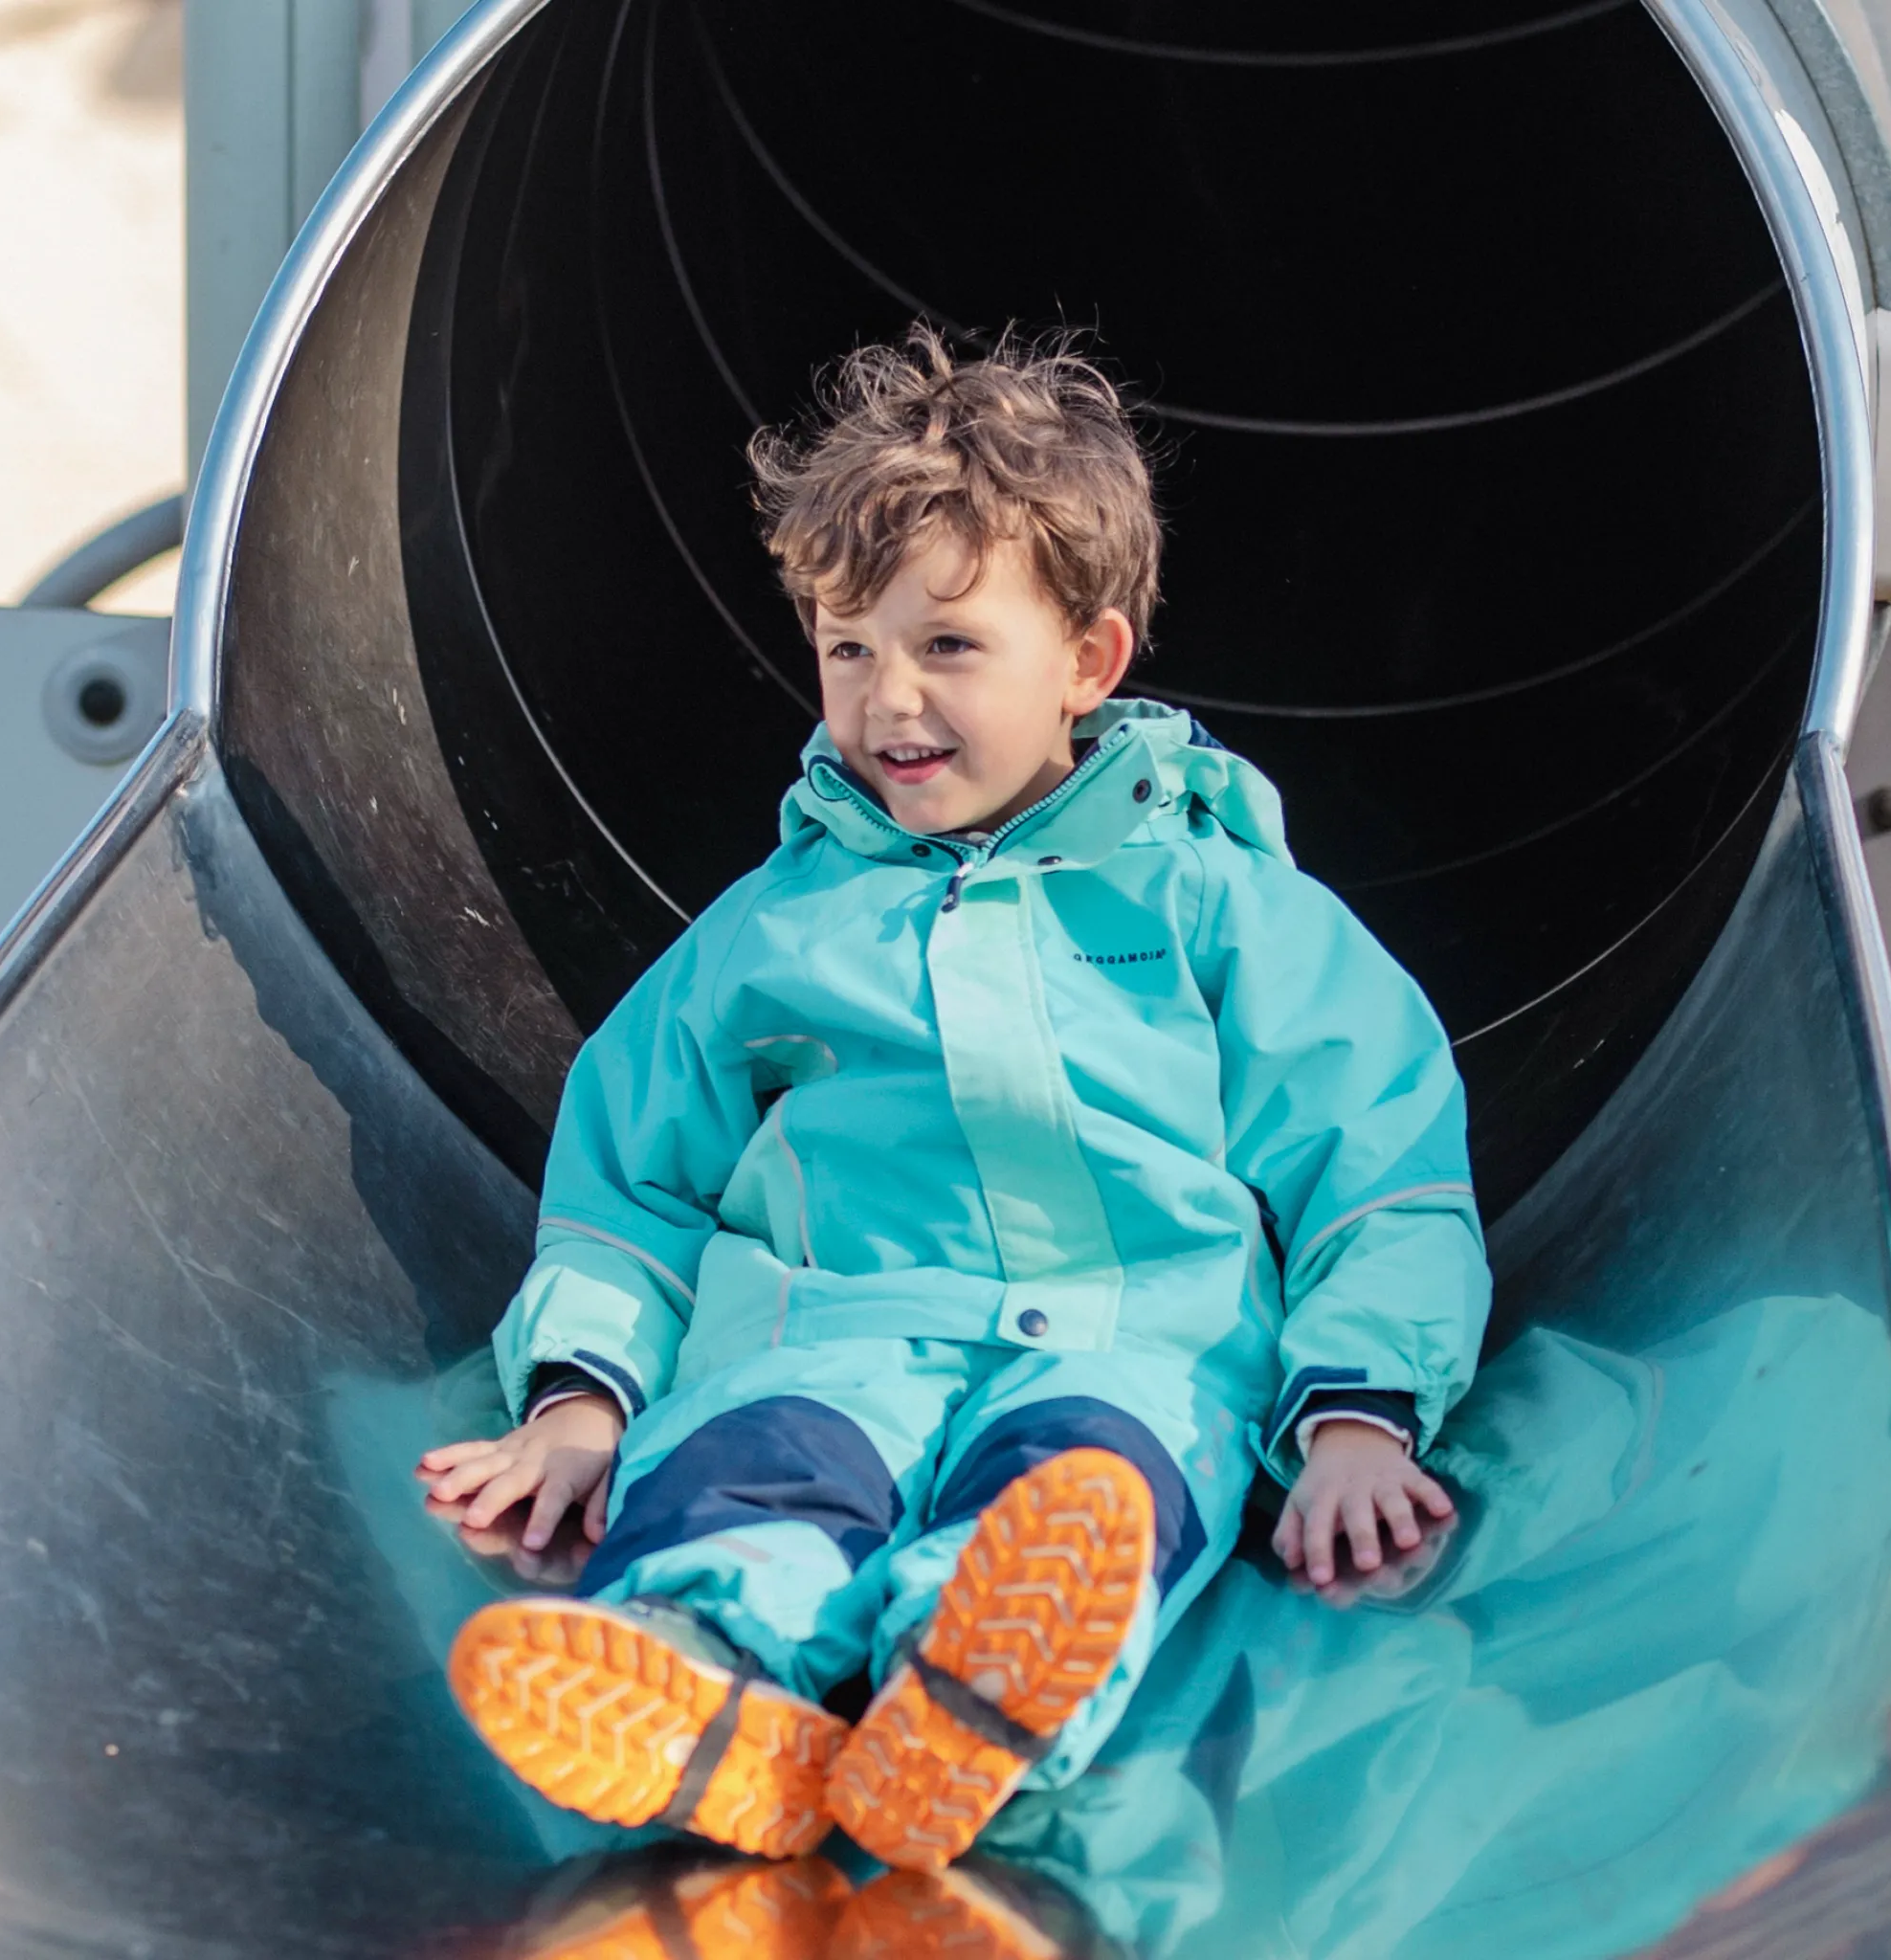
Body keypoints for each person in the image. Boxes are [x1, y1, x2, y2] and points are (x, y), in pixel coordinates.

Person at [420, 324, 1490, 1882]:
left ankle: (975, 1699)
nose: (888, 699)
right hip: (826, 1335)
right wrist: (583, 1399)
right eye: (848, 648)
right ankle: (709, 1687)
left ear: (1091, 663)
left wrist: (1353, 1413)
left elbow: (1376, 1165)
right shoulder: (776, 928)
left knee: (1083, 1500)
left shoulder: (1215, 904)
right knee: (754, 1479)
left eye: (950, 647)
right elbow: (633, 1182)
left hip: (1139, 1342)